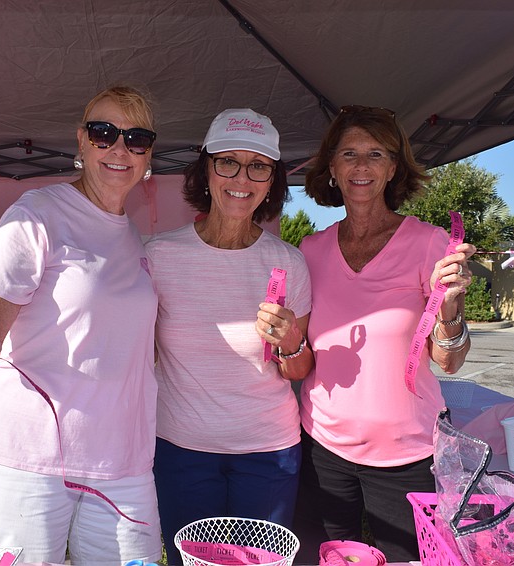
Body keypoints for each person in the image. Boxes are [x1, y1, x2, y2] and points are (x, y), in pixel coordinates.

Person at [0, 86, 162, 565]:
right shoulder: (37, 214)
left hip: (121, 460)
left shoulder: (134, 236)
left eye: (136, 138)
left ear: (147, 153)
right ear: (81, 140)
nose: (119, 148)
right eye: (104, 133)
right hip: (28, 458)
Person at [292, 105, 477, 563]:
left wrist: (450, 307)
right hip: (322, 448)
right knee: (327, 557)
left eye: (376, 153)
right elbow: (306, 358)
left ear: (394, 168)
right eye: (349, 153)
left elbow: (449, 361)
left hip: (407, 457)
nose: (361, 166)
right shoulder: (309, 251)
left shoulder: (431, 243)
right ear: (331, 167)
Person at [144, 108, 313, 565]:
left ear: (272, 179)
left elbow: (299, 369)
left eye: (258, 165)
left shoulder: (289, 262)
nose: (242, 177)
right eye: (228, 162)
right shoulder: (160, 255)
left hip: (268, 452)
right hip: (182, 449)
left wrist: (292, 341)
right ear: (206, 168)